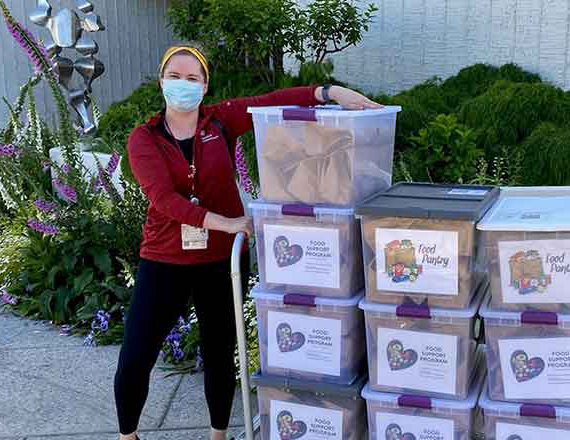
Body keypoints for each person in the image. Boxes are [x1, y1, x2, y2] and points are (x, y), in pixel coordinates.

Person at [114, 45, 382, 440]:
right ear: (161, 81)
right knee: (136, 355)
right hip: (164, 259)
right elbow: (164, 201)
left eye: (192, 78)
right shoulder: (145, 138)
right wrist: (228, 222)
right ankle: (127, 436)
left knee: (221, 354)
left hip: (218, 261)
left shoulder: (219, 122)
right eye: (175, 76)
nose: (183, 85)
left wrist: (330, 93)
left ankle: (219, 435)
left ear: (204, 86)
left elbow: (272, 102)